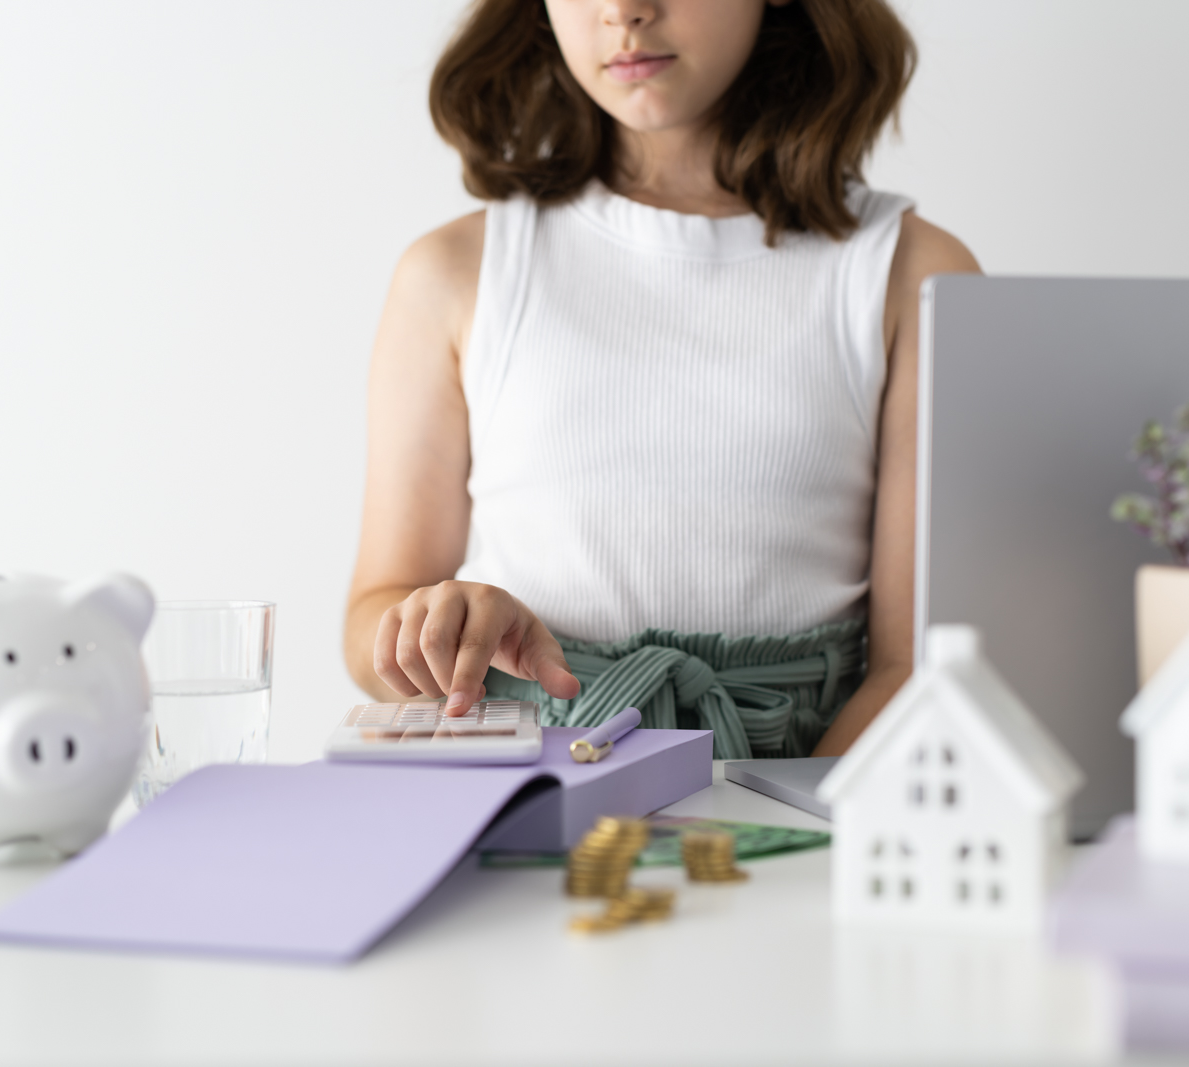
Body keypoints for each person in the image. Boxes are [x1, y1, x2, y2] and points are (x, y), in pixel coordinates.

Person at [344, 0, 979, 759]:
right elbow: (371, 618)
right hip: (522, 788)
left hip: (808, 790)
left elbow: (913, 667)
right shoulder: (452, 272)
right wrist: (436, 626)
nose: (623, 11)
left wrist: (779, 834)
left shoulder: (911, 275)